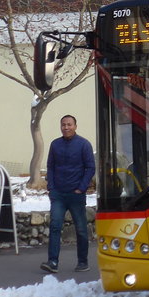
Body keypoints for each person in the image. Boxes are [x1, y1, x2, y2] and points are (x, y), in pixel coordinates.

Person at [40, 115, 96, 274]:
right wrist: (51, 187)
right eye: (63, 125)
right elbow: (50, 166)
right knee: (55, 226)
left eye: (69, 124)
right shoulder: (55, 145)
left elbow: (90, 168)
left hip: (76, 194)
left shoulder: (84, 144)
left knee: (81, 229)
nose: (66, 127)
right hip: (58, 194)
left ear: (75, 126)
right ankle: (52, 262)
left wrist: (81, 187)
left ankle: (83, 262)